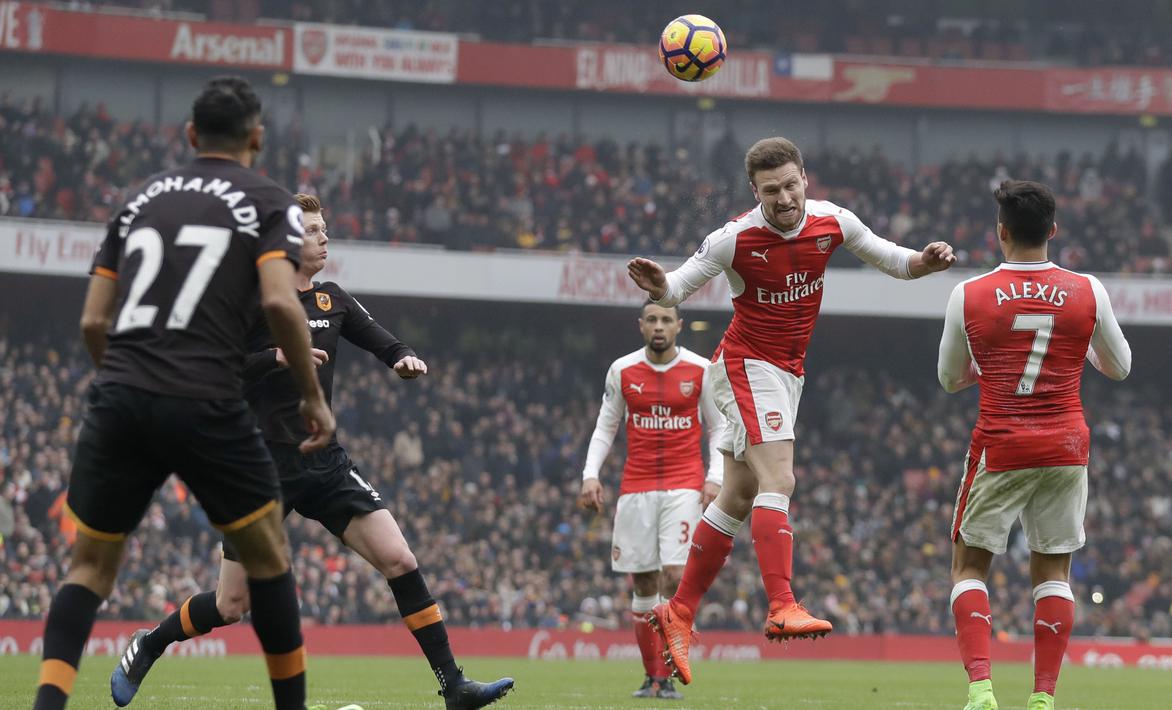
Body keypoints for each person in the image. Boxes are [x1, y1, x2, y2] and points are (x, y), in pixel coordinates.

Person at [112, 194, 514, 710]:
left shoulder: (333, 298)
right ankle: (151, 642)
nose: (325, 238)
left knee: (399, 558)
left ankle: (453, 686)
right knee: (232, 604)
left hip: (324, 461)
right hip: (259, 467)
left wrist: (405, 358)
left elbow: (385, 342)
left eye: (326, 229)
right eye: (314, 230)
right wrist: (273, 357)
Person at [33, 76, 334, 710]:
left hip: (122, 394)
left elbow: (93, 322)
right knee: (270, 562)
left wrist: (121, 386)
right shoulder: (270, 201)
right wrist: (312, 396)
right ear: (256, 137)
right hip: (207, 400)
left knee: (87, 569)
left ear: (191, 135)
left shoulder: (137, 198)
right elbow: (281, 302)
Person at [626, 136, 956, 685]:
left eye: (790, 185)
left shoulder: (833, 221)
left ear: (806, 177)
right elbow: (677, 286)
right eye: (770, 190)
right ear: (755, 192)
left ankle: (678, 610)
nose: (783, 198)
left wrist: (926, 260)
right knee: (781, 477)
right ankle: (782, 604)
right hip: (746, 366)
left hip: (786, 375)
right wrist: (662, 286)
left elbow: (895, 260)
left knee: (738, 493)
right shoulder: (734, 238)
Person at [937, 180, 1131, 710]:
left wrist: (992, 368)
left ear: (1002, 232)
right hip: (1067, 447)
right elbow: (1120, 366)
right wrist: (1078, 356)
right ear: (1053, 230)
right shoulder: (1087, 290)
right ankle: (1043, 696)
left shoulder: (969, 294)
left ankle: (980, 689)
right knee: (1052, 572)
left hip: (1001, 444)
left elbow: (949, 378)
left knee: (969, 568)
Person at [579, 302, 722, 700]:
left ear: (678, 326)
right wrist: (590, 474)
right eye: (652, 320)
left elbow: (718, 427)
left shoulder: (700, 369)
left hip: (684, 486)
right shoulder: (622, 370)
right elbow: (606, 425)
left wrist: (714, 478)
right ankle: (653, 677)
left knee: (675, 576)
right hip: (637, 487)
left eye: (666, 320)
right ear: (641, 326)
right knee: (643, 581)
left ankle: (673, 671)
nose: (659, 327)